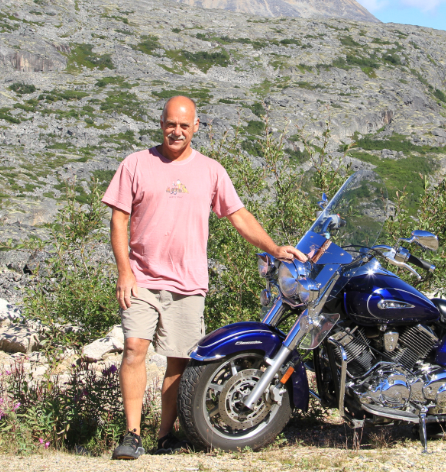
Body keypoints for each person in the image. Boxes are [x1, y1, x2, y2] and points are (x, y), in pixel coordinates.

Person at [103, 95, 307, 459]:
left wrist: (275, 248)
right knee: (134, 349)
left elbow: (238, 216)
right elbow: (119, 219)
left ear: (196, 127)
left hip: (188, 282)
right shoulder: (135, 164)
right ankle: (132, 435)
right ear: (161, 123)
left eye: (184, 125)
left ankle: (166, 435)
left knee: (179, 361)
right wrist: (124, 272)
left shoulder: (211, 171)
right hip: (142, 279)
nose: (176, 131)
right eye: (171, 124)